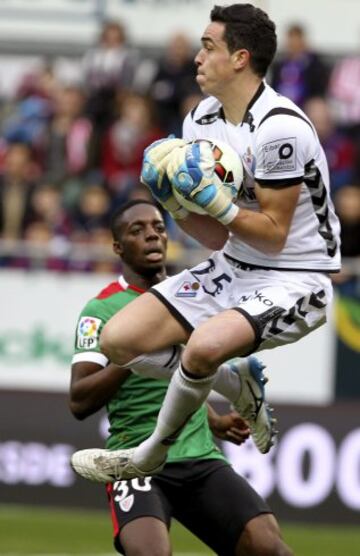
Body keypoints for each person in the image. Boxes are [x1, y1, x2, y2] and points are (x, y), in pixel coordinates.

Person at [71, 3, 341, 483]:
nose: (197, 56)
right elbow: (219, 234)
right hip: (235, 263)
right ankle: (239, 386)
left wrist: (213, 202)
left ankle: (149, 453)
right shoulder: (202, 119)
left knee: (200, 348)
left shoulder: (281, 127)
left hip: (297, 277)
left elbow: (276, 237)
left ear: (240, 58)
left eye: (208, 46)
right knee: (119, 341)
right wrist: (173, 202)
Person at [70, 200, 292, 556]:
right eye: (137, 230)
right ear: (117, 247)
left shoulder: (192, 298)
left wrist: (214, 420)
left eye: (158, 228)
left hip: (199, 455)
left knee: (271, 550)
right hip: (136, 459)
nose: (152, 236)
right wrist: (132, 351)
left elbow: (186, 372)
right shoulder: (101, 310)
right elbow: (80, 400)